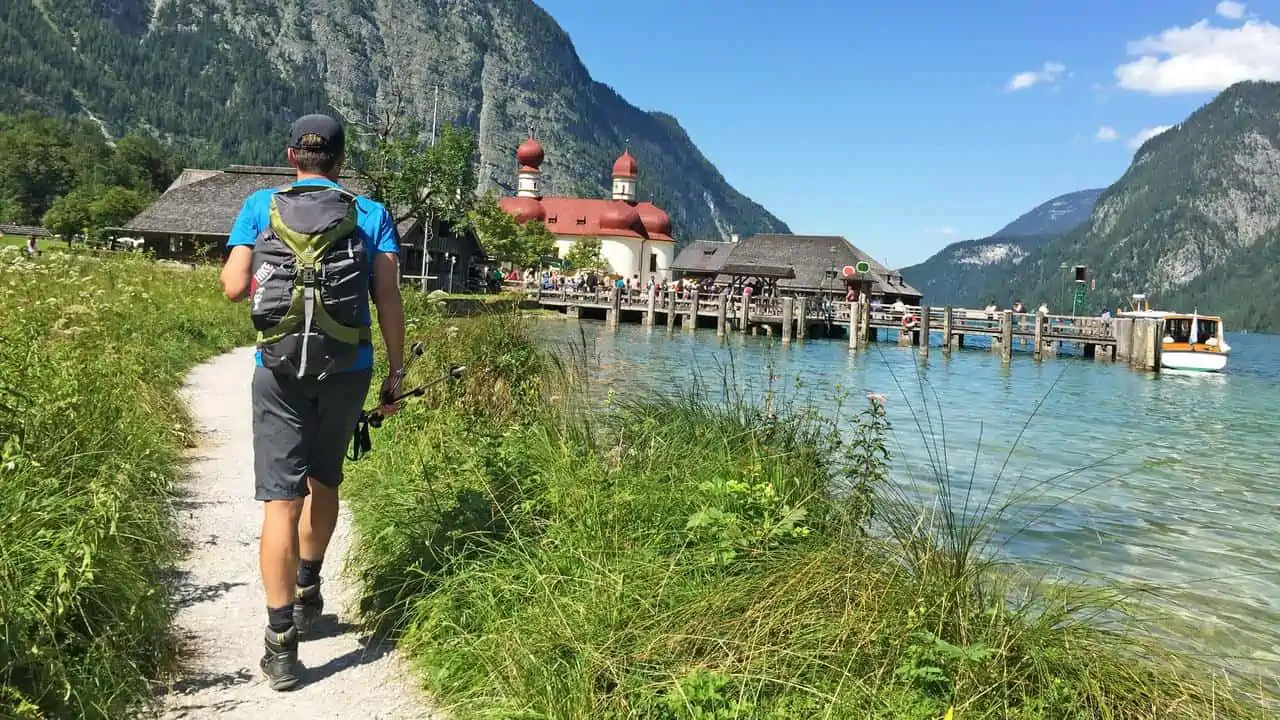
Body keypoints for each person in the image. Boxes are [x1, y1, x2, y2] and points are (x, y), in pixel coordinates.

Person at [218, 114, 405, 691]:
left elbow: (233, 286)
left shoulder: (259, 205)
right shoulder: (370, 214)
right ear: (342, 161)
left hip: (277, 370)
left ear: (291, 156)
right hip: (348, 368)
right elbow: (388, 297)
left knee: (281, 503)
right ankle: (308, 589)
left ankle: (280, 645)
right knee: (324, 481)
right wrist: (396, 373)